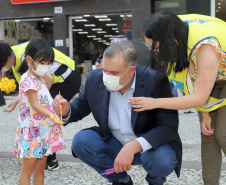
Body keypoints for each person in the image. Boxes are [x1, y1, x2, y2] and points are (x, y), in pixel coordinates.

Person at [52, 42, 182, 185]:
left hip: (149, 146)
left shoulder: (155, 80)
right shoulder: (95, 78)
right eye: (105, 70)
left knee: (162, 161)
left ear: (131, 70)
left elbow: (168, 127)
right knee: (81, 142)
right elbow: (82, 105)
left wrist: (133, 146)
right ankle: (120, 180)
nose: (107, 77)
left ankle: (155, 181)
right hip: (113, 142)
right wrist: (66, 111)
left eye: (114, 73)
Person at [128, 11, 226, 185]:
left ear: (172, 43)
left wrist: (154, 103)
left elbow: (197, 97)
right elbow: (186, 83)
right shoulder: (171, 31)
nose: (154, 54)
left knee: (223, 135)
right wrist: (204, 113)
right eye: (150, 47)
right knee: (209, 135)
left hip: (217, 77)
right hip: (208, 82)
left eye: (156, 49)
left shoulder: (206, 47)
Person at [0, 39, 81, 170]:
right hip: (56, 79)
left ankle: (50, 159)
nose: (3, 67)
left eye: (2, 64)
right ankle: (45, 157)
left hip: (68, 78)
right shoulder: (15, 54)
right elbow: (27, 90)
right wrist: (16, 102)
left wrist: (43, 100)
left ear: (8, 56)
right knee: (43, 115)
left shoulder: (24, 58)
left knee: (44, 115)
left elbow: (47, 78)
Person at [14, 38, 65, 185]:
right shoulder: (27, 79)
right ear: (29, 60)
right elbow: (35, 105)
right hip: (32, 132)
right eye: (42, 63)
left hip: (43, 131)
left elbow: (44, 101)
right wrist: (52, 116)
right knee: (27, 170)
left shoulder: (40, 80)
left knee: (40, 169)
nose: (46, 66)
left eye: (49, 63)